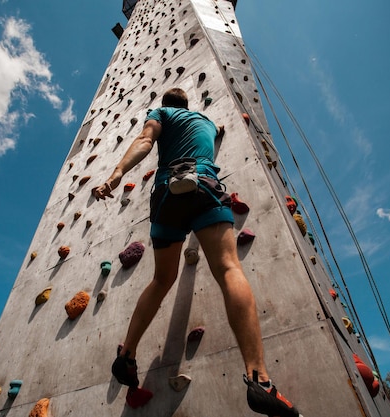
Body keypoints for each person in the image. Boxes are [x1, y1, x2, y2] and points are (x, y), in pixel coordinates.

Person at [92, 88, 302, 417]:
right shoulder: (205, 120)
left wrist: (116, 174)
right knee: (229, 269)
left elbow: (147, 141)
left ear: (166, 106)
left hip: (166, 191)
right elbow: (218, 130)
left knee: (162, 279)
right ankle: (259, 379)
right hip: (204, 183)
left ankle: (127, 354)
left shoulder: (161, 114)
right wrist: (215, 131)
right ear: (188, 105)